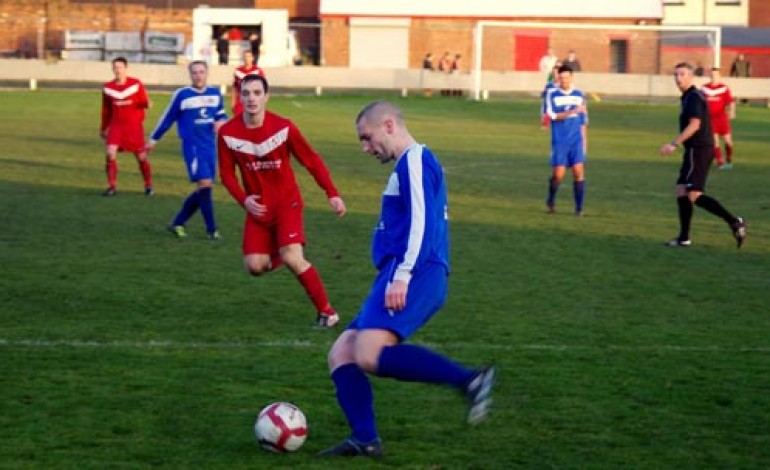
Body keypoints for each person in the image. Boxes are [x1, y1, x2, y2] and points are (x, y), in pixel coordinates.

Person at [317, 101, 496, 458]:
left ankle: (470, 380)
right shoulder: (407, 164)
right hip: (401, 271)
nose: (366, 148)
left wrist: (402, 276)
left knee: (367, 353)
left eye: (367, 139)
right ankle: (365, 439)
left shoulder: (414, 159)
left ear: (388, 125)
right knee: (342, 354)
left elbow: (422, 223)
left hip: (415, 271)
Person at [217, 74, 347, 327]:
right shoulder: (228, 133)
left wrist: (331, 192)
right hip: (257, 209)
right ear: (239, 97)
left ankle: (327, 312)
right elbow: (226, 175)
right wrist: (245, 201)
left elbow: (311, 159)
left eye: (257, 93)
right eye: (246, 93)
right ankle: (281, 249)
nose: (251, 98)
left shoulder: (283, 127)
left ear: (266, 97)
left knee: (292, 257)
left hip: (287, 203)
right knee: (255, 266)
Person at [659, 62, 746, 248]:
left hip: (699, 149)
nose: (678, 78)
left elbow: (695, 124)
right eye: (676, 74)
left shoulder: (693, 97)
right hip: (694, 149)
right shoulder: (688, 97)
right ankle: (684, 238)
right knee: (682, 190)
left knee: (694, 195)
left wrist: (674, 143)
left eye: (682, 74)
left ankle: (734, 221)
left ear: (691, 76)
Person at [146, 61, 228, 240]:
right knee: (205, 184)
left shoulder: (215, 93)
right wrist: (153, 139)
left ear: (207, 74)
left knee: (205, 188)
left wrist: (223, 122)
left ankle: (178, 222)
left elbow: (221, 114)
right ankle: (212, 230)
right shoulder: (182, 95)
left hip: (210, 146)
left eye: (201, 72)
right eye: (195, 73)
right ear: (190, 75)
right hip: (193, 146)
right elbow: (167, 118)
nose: (198, 76)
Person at [100, 56, 153, 197]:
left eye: (120, 67)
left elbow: (143, 101)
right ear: (112, 69)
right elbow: (106, 109)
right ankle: (112, 186)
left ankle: (148, 185)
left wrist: (147, 104)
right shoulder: (108, 88)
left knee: (141, 157)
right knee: (110, 153)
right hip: (116, 126)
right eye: (115, 67)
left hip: (133, 126)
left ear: (126, 69)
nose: (118, 70)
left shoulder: (136, 84)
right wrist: (103, 127)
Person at [543, 65, 588, 215]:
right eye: (562, 78)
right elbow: (553, 116)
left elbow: (583, 121)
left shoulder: (579, 94)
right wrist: (572, 111)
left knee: (578, 171)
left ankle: (579, 208)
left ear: (572, 77)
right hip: (560, 140)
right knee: (558, 175)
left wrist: (584, 143)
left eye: (567, 78)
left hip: (576, 140)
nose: (564, 81)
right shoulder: (552, 94)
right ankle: (551, 200)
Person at [701, 67, 736, 169]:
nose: (713, 77)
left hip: (722, 118)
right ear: (709, 76)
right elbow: (700, 102)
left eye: (716, 75)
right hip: (709, 119)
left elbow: (730, 102)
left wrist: (732, 112)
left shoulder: (724, 88)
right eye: (712, 75)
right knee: (715, 141)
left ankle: (729, 160)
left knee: (728, 141)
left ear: (719, 76)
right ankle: (720, 162)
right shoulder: (704, 88)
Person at [231, 49, 266, 116]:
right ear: (243, 58)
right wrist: (233, 102)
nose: (247, 58)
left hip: (254, 101)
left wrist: (262, 102)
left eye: (249, 56)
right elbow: (234, 87)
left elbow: (263, 88)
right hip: (240, 101)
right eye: (245, 56)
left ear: (252, 58)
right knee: (238, 123)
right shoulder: (238, 71)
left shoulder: (258, 71)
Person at [540, 61, 562, 130]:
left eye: (557, 73)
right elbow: (544, 98)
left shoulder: (563, 85)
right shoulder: (549, 85)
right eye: (554, 73)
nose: (555, 74)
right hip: (548, 110)